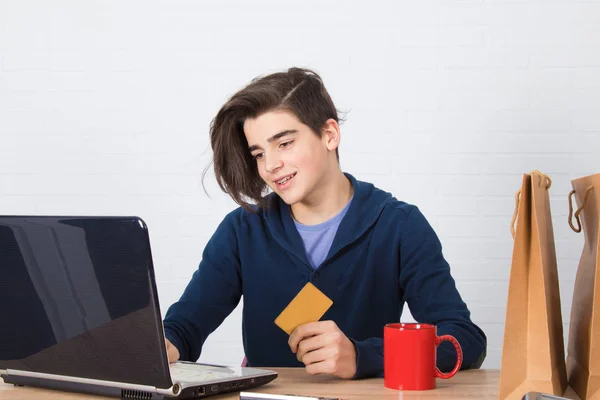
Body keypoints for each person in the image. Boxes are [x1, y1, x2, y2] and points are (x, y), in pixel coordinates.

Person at [162, 67, 487, 379]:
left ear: (329, 134)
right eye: (259, 153)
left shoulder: (400, 226)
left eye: (284, 143)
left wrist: (364, 356)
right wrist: (158, 347)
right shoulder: (241, 230)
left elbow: (462, 341)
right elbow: (183, 328)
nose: (271, 165)